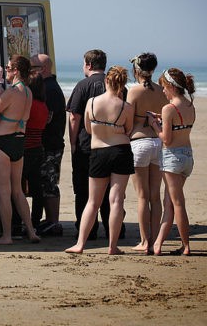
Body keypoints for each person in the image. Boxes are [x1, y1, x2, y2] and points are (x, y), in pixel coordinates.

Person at [66, 66, 134, 255]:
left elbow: (87, 128)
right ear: (122, 84)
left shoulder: (92, 102)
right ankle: (113, 246)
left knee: (92, 201)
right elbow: (128, 130)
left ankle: (80, 244)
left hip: (98, 151)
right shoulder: (126, 106)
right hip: (120, 150)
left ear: (106, 81)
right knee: (116, 200)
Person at [0, 55, 40, 244]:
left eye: (8, 67)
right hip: (19, 140)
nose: (6, 70)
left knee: (4, 192)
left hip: (2, 142)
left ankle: (6, 236)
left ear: (16, 71)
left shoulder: (11, 92)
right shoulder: (28, 92)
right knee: (18, 191)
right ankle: (31, 231)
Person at [66, 49, 112, 240]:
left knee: (84, 191)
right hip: (112, 143)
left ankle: (88, 230)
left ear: (89, 65)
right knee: (110, 191)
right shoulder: (116, 85)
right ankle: (113, 229)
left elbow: (74, 117)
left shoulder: (82, 85)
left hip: (87, 144)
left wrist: (73, 141)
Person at [150, 68, 196, 256]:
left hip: (173, 157)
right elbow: (181, 126)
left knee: (177, 203)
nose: (162, 91)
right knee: (169, 202)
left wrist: (154, 124)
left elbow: (166, 139)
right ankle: (158, 244)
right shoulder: (190, 105)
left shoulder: (169, 108)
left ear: (170, 86)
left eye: (163, 87)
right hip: (187, 156)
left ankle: (185, 246)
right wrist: (163, 120)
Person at [127, 53, 167, 253]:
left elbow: (128, 121)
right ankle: (155, 240)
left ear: (137, 69)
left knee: (142, 196)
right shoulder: (162, 91)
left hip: (139, 142)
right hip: (158, 143)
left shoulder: (133, 92)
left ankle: (145, 241)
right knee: (155, 196)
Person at [31, 54, 66, 236]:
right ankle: (51, 220)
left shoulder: (50, 89)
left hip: (50, 144)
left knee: (49, 184)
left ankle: (53, 221)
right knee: (45, 183)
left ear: (42, 69)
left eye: (32, 67)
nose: (29, 71)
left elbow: (47, 117)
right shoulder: (49, 86)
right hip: (50, 143)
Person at [22, 72, 49, 229]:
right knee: (36, 187)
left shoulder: (29, 104)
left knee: (18, 189)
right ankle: (35, 220)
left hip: (26, 148)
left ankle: (18, 220)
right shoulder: (43, 106)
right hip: (38, 148)